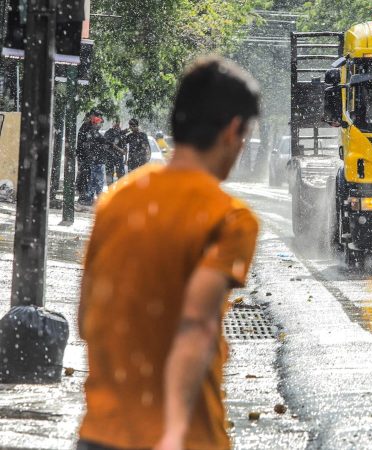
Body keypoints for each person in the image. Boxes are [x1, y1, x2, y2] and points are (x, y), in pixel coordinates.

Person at [77, 56, 261, 450]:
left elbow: (88, 317)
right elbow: (196, 325)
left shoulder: (116, 201)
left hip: (101, 432)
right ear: (232, 131)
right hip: (186, 435)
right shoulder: (228, 218)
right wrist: (174, 429)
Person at [77, 110, 106, 208]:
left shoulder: (91, 126)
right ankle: (84, 198)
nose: (100, 122)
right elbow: (86, 143)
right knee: (86, 177)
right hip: (85, 157)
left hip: (89, 157)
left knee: (90, 178)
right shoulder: (87, 127)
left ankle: (87, 198)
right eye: (98, 118)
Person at [104, 119, 126, 183]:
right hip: (110, 157)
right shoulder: (108, 133)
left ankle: (119, 191)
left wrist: (125, 157)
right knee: (109, 175)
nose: (117, 125)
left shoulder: (121, 133)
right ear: (112, 123)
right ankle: (111, 190)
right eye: (116, 123)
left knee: (120, 175)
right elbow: (108, 144)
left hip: (119, 157)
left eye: (118, 123)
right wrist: (120, 150)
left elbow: (124, 146)